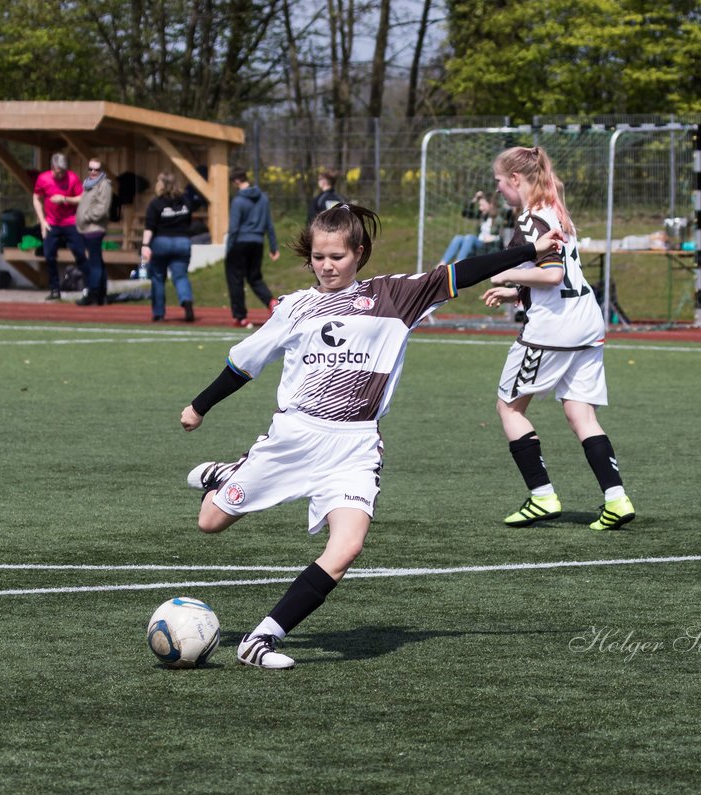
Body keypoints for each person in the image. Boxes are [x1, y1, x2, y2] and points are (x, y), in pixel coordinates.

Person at [179, 203, 561, 669]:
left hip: (355, 446)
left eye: (337, 256)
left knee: (347, 548)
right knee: (209, 523)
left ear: (359, 253)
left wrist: (530, 250)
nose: (326, 266)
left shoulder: (396, 296)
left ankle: (261, 639)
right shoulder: (296, 306)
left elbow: (463, 272)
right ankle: (227, 474)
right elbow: (244, 363)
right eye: (319, 257)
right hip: (294, 438)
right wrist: (200, 406)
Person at [480, 145, 636, 532]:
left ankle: (542, 496)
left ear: (515, 179)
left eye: (500, 181)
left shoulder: (533, 219)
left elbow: (550, 276)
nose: (498, 189)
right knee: (581, 413)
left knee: (510, 408)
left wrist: (506, 276)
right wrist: (517, 294)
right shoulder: (557, 212)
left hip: (553, 330)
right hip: (586, 323)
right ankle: (616, 499)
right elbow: (563, 278)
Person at [224, 166, 280, 328]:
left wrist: (228, 249)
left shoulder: (238, 200)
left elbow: (234, 228)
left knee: (235, 279)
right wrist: (273, 246)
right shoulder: (263, 198)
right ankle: (271, 301)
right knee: (254, 277)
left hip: (240, 242)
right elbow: (269, 224)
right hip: (257, 243)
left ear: (236, 181)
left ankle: (240, 317)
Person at [141, 171, 196, 322]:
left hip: (161, 242)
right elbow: (189, 221)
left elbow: (149, 227)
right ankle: (186, 300)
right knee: (180, 276)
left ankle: (159, 313)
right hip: (182, 242)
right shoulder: (185, 201)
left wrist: (145, 245)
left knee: (158, 277)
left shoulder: (156, 203)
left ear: (161, 184)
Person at [32, 152, 87, 301]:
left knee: (79, 253)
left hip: (70, 221)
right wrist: (42, 221)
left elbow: (82, 198)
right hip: (52, 223)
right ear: (53, 168)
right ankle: (54, 289)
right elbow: (36, 198)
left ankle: (88, 286)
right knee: (49, 255)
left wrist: (64, 199)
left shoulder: (72, 178)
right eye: (59, 171)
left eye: (63, 171)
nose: (61, 174)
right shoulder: (43, 179)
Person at [75, 158, 114, 307]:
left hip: (94, 229)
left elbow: (102, 208)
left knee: (94, 263)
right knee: (97, 262)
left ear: (101, 171)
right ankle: (101, 295)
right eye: (90, 169)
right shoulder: (88, 185)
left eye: (96, 169)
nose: (92, 172)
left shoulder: (104, 185)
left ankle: (93, 293)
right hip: (85, 229)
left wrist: (86, 216)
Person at [437, 190, 511, 265]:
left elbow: (504, 237)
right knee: (458, 238)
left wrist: (493, 238)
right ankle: (441, 265)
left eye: (482, 205)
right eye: (479, 205)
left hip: (488, 247)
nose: (480, 208)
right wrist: (474, 199)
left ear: (490, 204)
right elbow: (466, 213)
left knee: (470, 237)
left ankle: (457, 264)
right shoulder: (482, 215)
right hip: (478, 244)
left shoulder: (501, 217)